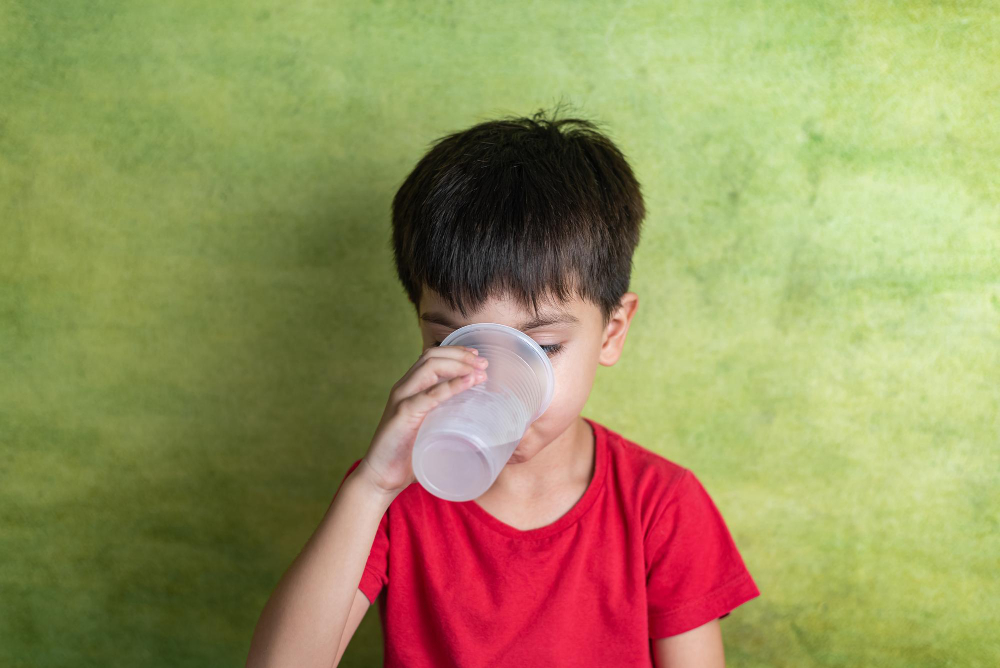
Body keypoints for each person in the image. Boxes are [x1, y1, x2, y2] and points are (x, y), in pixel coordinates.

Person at [246, 108, 760, 668]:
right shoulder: (395, 495)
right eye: (458, 342)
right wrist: (371, 488)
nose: (492, 383)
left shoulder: (658, 507)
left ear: (611, 333)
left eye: (540, 349)